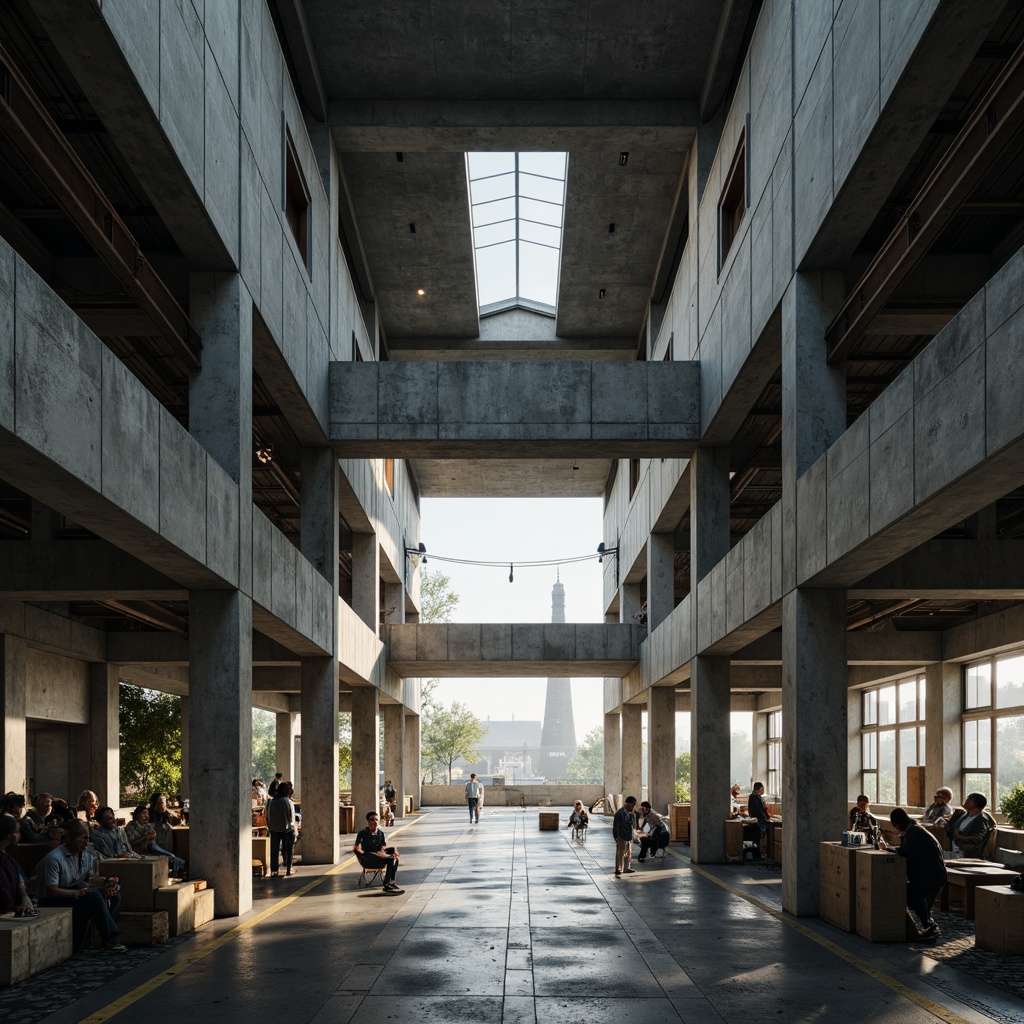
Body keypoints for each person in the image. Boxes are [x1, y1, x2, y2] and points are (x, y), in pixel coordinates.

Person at [38, 820, 126, 953]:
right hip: (55, 900)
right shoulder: (55, 858)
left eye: (88, 838)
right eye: (83, 838)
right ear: (70, 838)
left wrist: (106, 884)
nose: (86, 842)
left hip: (75, 895)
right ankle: (110, 938)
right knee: (94, 897)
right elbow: (51, 891)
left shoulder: (85, 856)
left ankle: (104, 936)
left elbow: (87, 880)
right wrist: (77, 893)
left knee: (114, 896)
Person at [879, 807, 947, 939]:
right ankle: (929, 924)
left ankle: (930, 926)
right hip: (931, 874)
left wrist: (891, 849)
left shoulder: (913, 832)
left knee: (912, 895)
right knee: (917, 898)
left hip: (931, 876)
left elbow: (907, 852)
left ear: (896, 824)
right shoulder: (914, 828)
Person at [126, 804, 185, 875]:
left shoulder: (147, 826)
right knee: (171, 859)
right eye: (144, 813)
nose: (146, 816)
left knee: (174, 858)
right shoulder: (130, 826)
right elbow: (131, 843)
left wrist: (153, 836)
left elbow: (152, 841)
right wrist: (145, 837)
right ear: (136, 815)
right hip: (139, 852)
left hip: (151, 848)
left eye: (147, 813)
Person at [353, 810, 402, 893]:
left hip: (379, 857)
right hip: (368, 857)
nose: (374, 822)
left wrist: (392, 852)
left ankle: (392, 881)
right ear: (368, 821)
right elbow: (357, 847)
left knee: (394, 853)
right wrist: (360, 853)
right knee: (390, 858)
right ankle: (386, 884)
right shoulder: (363, 833)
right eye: (372, 819)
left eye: (376, 819)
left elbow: (382, 847)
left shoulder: (381, 834)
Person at [0, 814, 36, 916]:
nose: (19, 835)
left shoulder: (10, 861)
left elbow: (21, 889)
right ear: (8, 835)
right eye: (16, 831)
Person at [948, 792, 996, 858]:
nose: (966, 801)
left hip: (968, 852)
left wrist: (962, 837)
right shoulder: (964, 815)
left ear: (975, 803)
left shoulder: (981, 820)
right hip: (955, 847)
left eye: (969, 799)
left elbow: (978, 838)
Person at [267, 781, 298, 877]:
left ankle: (274, 871)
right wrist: (295, 831)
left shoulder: (272, 802)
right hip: (287, 830)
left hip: (274, 829)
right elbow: (291, 818)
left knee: (274, 850)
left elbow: (268, 816)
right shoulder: (288, 802)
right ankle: (289, 869)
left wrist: (270, 827)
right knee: (288, 850)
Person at [613, 796, 637, 876]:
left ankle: (627, 867)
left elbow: (632, 825)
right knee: (620, 853)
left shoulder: (630, 813)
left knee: (628, 853)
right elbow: (615, 825)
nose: (633, 807)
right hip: (621, 836)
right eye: (633, 805)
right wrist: (616, 836)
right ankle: (619, 869)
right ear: (628, 804)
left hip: (628, 836)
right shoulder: (620, 813)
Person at [745, 781, 771, 857]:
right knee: (758, 839)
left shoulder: (751, 796)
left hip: (753, 819)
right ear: (761, 788)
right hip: (760, 821)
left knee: (755, 838)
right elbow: (760, 810)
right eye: (763, 789)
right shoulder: (757, 796)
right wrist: (766, 818)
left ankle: (755, 855)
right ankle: (757, 856)